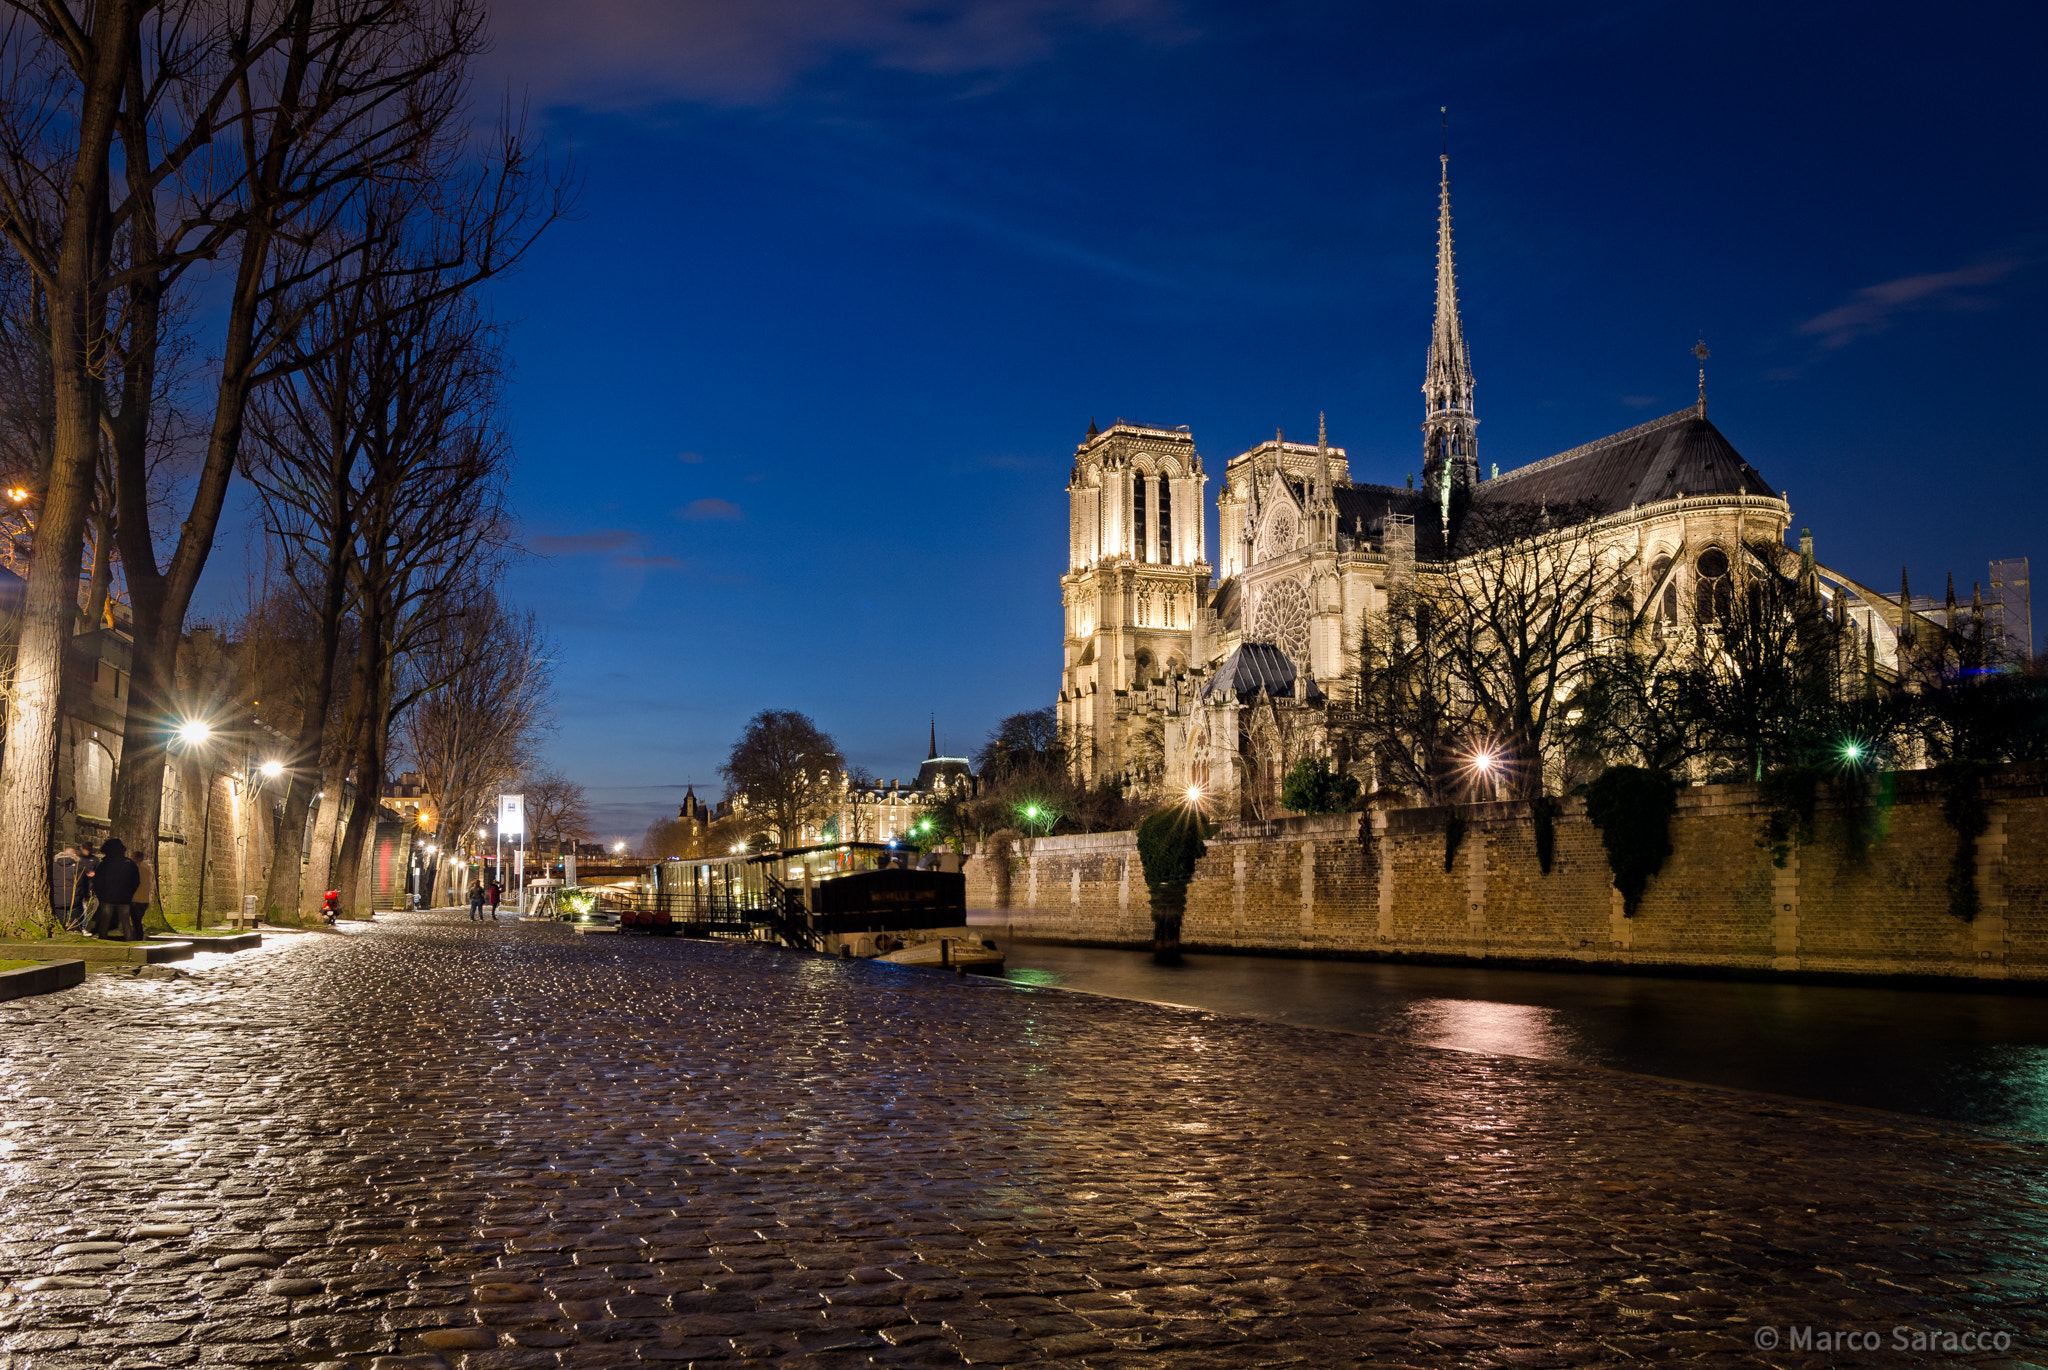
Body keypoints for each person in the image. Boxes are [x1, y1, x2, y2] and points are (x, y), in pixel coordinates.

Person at [91, 838, 142, 941]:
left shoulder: (105, 864)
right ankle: (129, 939)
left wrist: (101, 895)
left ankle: (103, 939)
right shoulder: (129, 864)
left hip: (107, 898)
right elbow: (135, 881)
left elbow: (97, 881)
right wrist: (129, 894)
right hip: (124, 898)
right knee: (125, 922)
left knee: (104, 921)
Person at [50, 846, 82, 932]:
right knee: (75, 922)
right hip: (74, 899)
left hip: (57, 899)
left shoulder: (53, 866)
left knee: (60, 922)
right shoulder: (78, 866)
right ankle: (76, 933)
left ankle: (60, 933)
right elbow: (82, 882)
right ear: (74, 854)